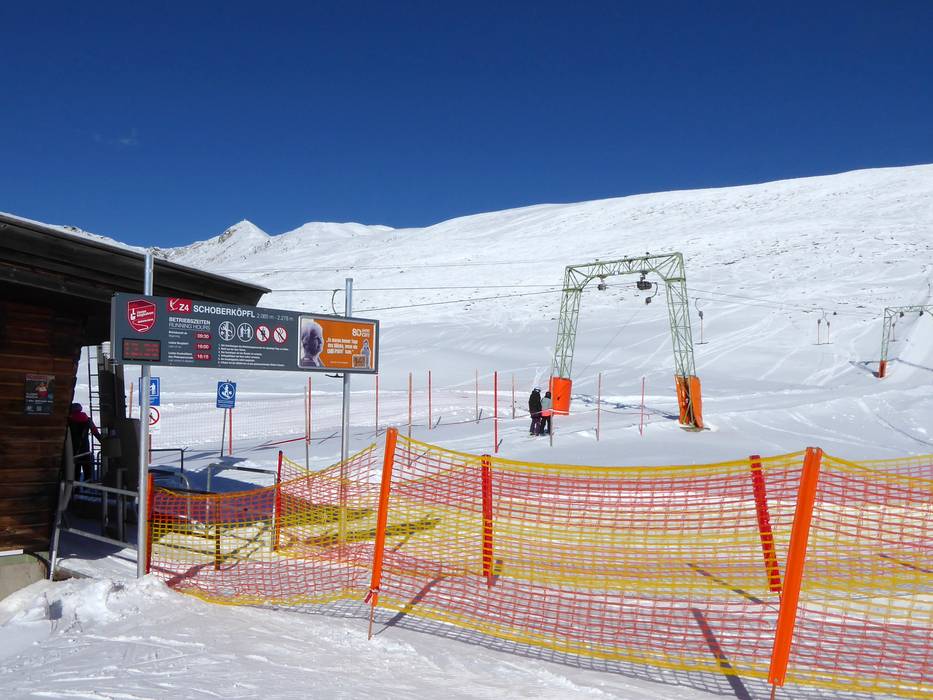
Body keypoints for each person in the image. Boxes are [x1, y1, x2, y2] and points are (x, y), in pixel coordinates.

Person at [68, 402, 101, 481]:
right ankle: (88, 485)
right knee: (87, 471)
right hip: (85, 449)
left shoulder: (69, 420)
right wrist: (103, 442)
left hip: (73, 450)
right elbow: (95, 432)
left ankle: (75, 487)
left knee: (75, 472)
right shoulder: (87, 419)